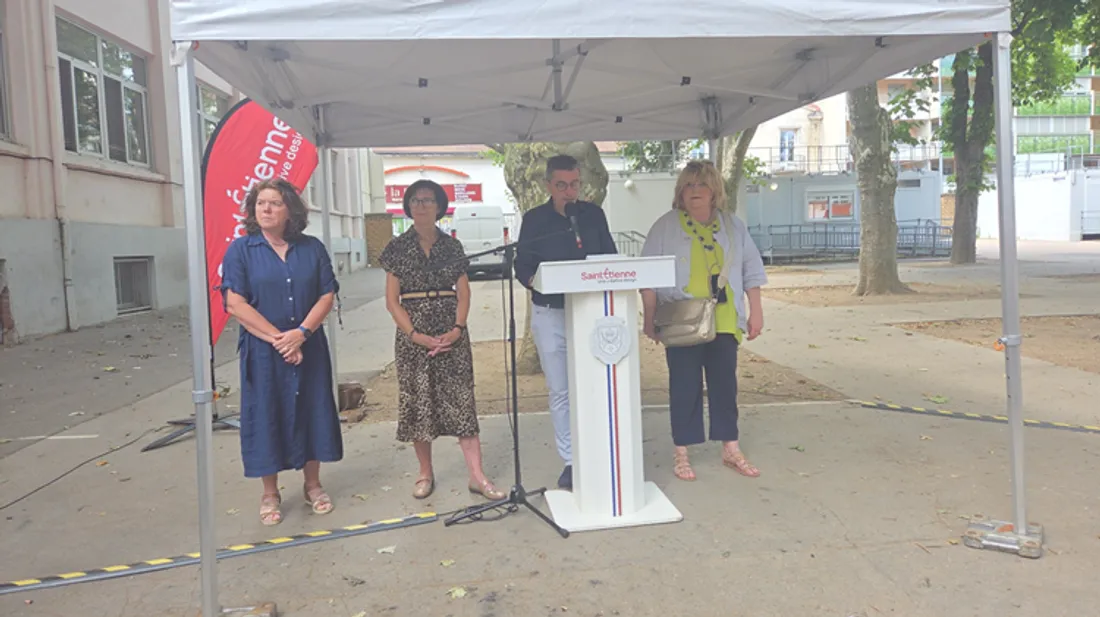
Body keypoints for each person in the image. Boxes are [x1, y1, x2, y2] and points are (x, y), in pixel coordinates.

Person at [220, 178, 342, 526]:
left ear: (290, 209)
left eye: (274, 203)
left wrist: (301, 334)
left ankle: (313, 485)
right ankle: (270, 493)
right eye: (260, 204)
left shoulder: (312, 248)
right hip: (264, 351)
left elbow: (326, 294)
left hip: (309, 345)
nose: (266, 209)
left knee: (312, 410)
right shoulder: (241, 250)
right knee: (266, 415)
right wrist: (281, 340)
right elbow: (234, 303)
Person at [639, 160, 768, 482]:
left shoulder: (732, 226)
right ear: (680, 193)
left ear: (715, 191)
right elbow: (648, 276)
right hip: (681, 320)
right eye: (688, 186)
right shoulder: (665, 226)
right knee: (684, 386)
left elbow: (751, 269)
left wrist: (756, 311)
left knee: (725, 385)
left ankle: (730, 447)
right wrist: (649, 317)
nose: (694, 191)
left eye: (701, 185)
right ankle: (682, 451)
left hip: (723, 319)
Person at [379, 179, 505, 501]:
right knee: (419, 403)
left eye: (428, 200)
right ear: (408, 207)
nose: (421, 205)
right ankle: (425, 473)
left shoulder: (452, 246)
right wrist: (415, 335)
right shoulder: (396, 248)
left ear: (439, 206)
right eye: (415, 200)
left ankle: (477, 476)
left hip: (451, 333)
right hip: (413, 335)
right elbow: (393, 300)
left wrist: (458, 328)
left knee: (463, 402)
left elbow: (463, 291)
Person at [513, 154, 618, 490]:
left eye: (574, 184)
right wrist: (536, 281)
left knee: (593, 384)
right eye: (562, 185)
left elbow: (610, 258)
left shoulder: (593, 215)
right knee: (560, 390)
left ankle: (600, 451)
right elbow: (522, 267)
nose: (569, 191)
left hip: (589, 312)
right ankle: (572, 461)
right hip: (551, 314)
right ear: (548, 186)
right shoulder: (534, 220)